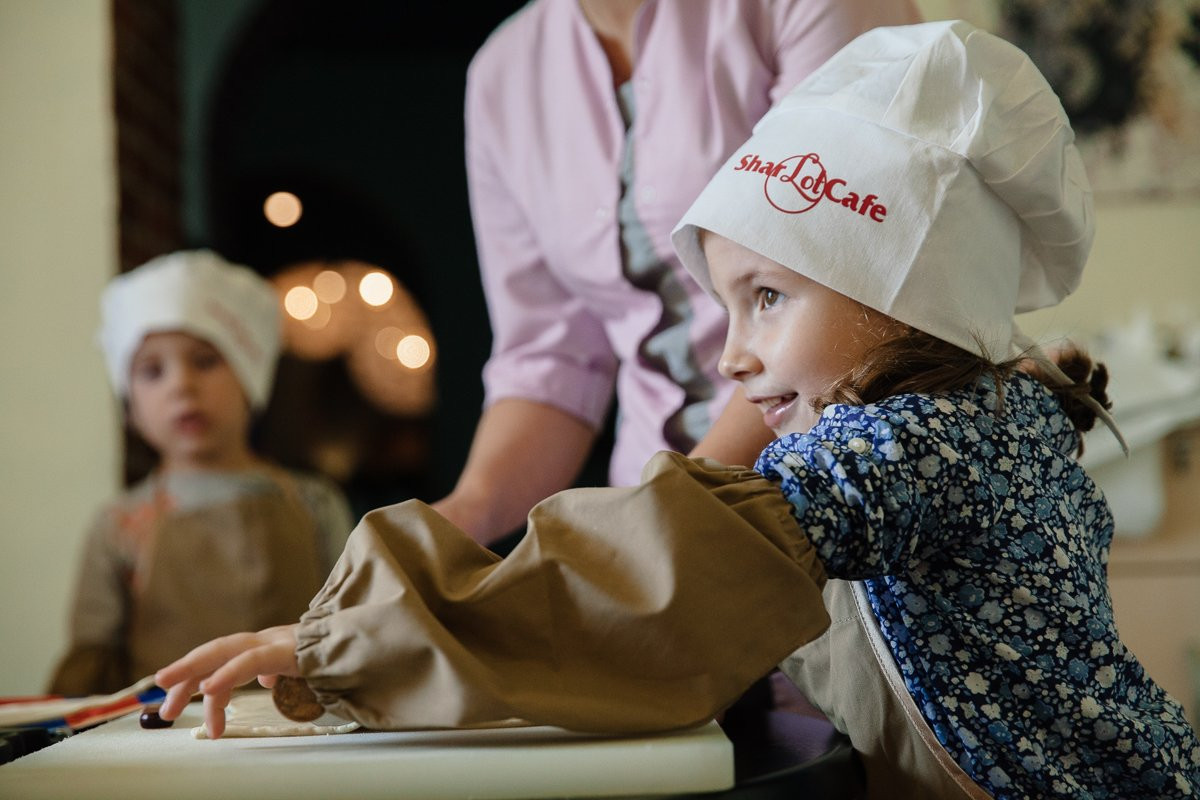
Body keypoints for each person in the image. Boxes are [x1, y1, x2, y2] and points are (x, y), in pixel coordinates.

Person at [154, 21, 1200, 798]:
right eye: (728, 302)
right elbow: (550, 361)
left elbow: (665, 569)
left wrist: (346, 644)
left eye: (770, 297)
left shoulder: (898, 447)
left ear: (902, 295)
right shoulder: (969, 413)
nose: (733, 355)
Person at [437, 0, 921, 546]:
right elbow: (552, 359)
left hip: (833, 497)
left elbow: (845, 288)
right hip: (654, 504)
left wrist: (669, 515)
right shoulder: (504, 72)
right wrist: (457, 522)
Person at [49, 250, 353, 696]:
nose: (181, 386)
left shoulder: (315, 504)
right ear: (130, 406)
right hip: (164, 739)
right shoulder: (118, 523)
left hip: (297, 733)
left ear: (252, 373)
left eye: (206, 360)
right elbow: (91, 663)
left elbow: (351, 625)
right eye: (153, 371)